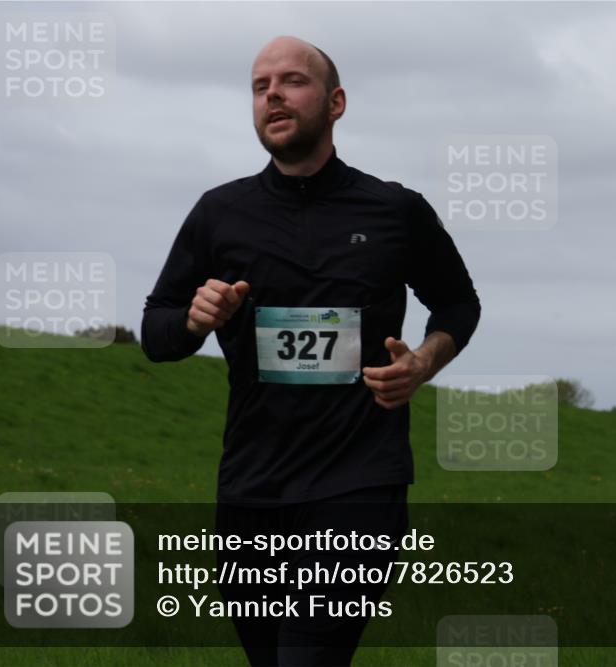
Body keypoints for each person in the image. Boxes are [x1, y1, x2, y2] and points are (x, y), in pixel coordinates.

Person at [141, 35, 480, 666]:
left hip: (358, 485)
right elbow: (155, 332)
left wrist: (423, 363)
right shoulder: (219, 213)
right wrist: (193, 321)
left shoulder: (395, 211)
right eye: (259, 85)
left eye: (292, 81)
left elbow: (460, 304)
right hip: (251, 489)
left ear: (336, 102)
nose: (272, 93)